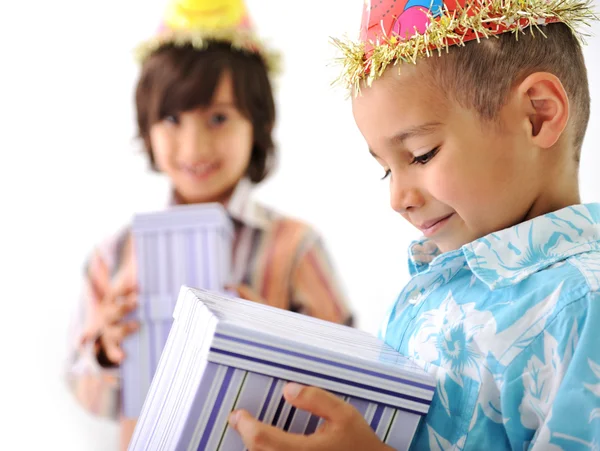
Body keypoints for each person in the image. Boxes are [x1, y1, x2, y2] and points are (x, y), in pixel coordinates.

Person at [226, 0, 600, 449]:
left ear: (538, 114)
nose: (397, 199)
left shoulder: (580, 308)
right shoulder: (439, 286)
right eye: (386, 169)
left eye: (422, 154)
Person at [65, 0, 354, 448]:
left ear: (256, 125)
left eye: (218, 118)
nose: (194, 146)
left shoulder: (295, 246)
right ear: (147, 127)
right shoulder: (116, 254)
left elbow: (349, 385)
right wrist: (105, 350)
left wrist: (281, 341)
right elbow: (87, 398)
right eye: (172, 119)